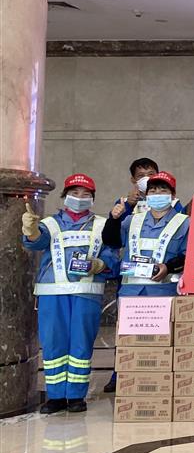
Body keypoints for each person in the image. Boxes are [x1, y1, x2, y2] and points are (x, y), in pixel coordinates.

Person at [20, 174, 119, 414]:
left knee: (81, 345)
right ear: (65, 196)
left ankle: (76, 395)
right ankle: (55, 396)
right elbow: (36, 242)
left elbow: (112, 259)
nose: (79, 198)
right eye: (74, 193)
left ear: (93, 199)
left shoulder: (102, 225)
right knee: (53, 344)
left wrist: (100, 265)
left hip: (86, 293)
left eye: (86, 194)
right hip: (52, 293)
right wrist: (31, 230)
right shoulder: (50, 224)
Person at [103, 171, 189, 296]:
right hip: (130, 293)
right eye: (153, 191)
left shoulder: (185, 223)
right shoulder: (132, 220)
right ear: (147, 195)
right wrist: (114, 219)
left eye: (163, 191)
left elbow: (189, 257)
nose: (157, 194)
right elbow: (111, 242)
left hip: (165, 293)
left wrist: (168, 267)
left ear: (173, 195)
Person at [108, 157, 160, 221]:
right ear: (133, 180)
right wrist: (129, 205)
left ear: (158, 176)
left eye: (151, 174)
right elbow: (116, 224)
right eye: (141, 175)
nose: (147, 178)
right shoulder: (123, 203)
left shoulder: (166, 200)